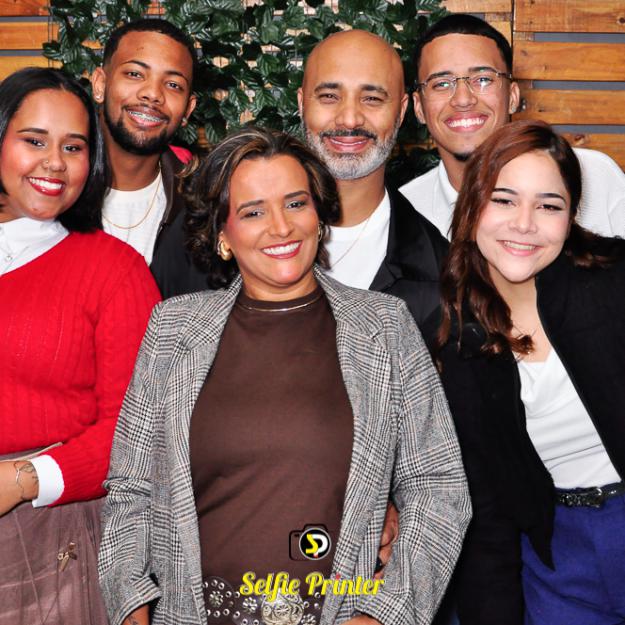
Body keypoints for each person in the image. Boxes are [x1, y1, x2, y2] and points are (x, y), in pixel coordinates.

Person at [99, 127, 471, 625]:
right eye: (253, 212)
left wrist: (384, 615)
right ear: (223, 235)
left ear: (319, 216)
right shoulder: (173, 330)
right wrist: (131, 605)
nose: (280, 227)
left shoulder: (384, 327)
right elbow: (130, 489)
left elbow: (438, 487)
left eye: (296, 204)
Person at [435, 120, 625, 625]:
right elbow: (487, 508)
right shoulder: (458, 340)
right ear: (471, 206)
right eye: (503, 200)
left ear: (571, 216)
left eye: (548, 205)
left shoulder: (613, 283)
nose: (524, 224)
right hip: (558, 553)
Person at [153, 30, 448, 333]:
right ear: (302, 103)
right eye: (329, 96)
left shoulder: (440, 268)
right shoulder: (204, 229)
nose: (349, 119)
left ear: (401, 111)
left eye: (372, 99)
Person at [0, 67, 160, 623]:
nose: (54, 163)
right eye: (34, 140)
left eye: (73, 147)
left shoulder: (113, 271)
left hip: (47, 535)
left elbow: (137, 432)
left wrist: (23, 479)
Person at [400, 13, 625, 240]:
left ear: (513, 97)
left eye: (483, 79)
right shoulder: (406, 212)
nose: (463, 99)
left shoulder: (594, 176)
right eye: (441, 84)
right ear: (418, 107)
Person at [90, 18, 197, 265]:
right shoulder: (54, 186)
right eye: (135, 74)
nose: (152, 94)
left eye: (173, 85)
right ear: (100, 84)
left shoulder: (201, 204)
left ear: (188, 109)